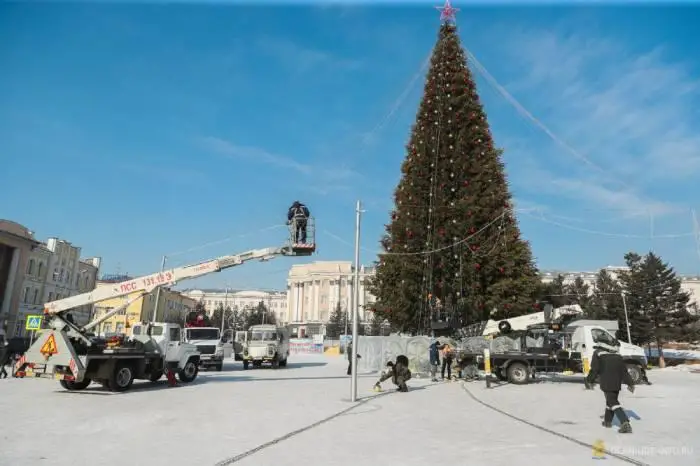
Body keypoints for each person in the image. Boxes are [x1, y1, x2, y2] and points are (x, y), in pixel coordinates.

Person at [585, 341, 635, 433]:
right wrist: (630, 383)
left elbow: (595, 369)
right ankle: (607, 421)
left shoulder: (598, 353)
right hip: (616, 382)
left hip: (606, 381)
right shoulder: (617, 355)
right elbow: (624, 371)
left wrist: (589, 380)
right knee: (611, 400)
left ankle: (625, 423)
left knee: (612, 401)